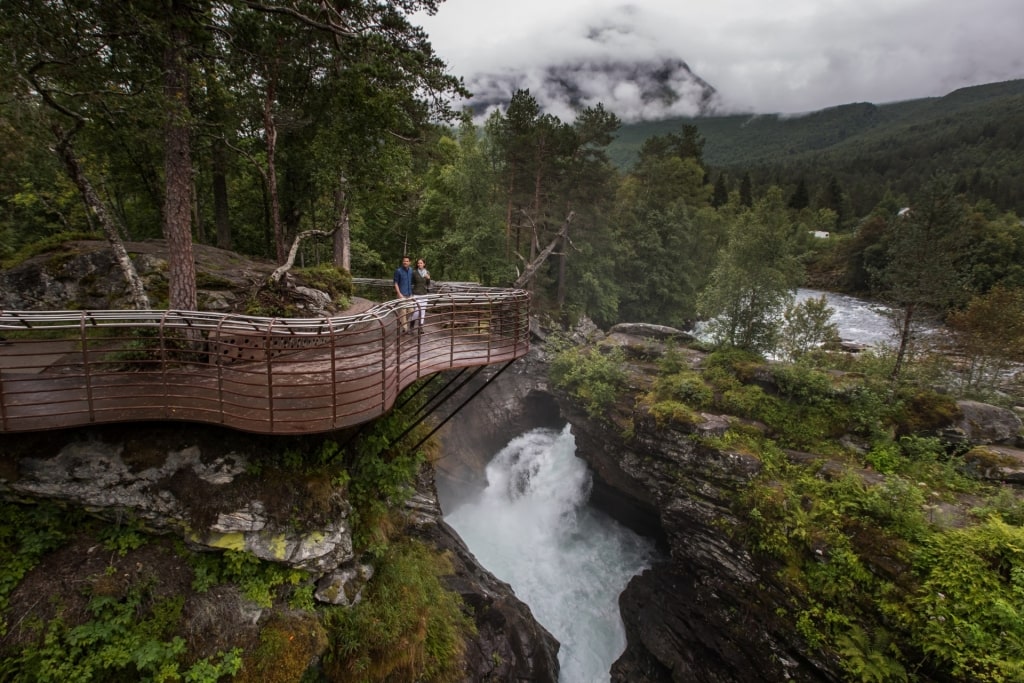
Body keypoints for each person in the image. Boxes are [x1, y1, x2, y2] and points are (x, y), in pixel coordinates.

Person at [393, 256, 413, 332]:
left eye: (407, 261)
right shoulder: (398, 271)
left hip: (409, 294)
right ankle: (405, 328)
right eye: (404, 261)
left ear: (409, 262)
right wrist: (399, 293)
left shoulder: (411, 270)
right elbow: (395, 283)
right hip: (401, 294)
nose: (405, 262)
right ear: (402, 262)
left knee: (411, 310)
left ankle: (402, 320)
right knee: (403, 311)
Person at [411, 258, 431, 333]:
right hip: (416, 294)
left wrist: (428, 279)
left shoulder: (427, 272)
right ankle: (412, 325)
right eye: (418, 263)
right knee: (416, 311)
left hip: (424, 294)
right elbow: (412, 283)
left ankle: (420, 327)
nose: (419, 264)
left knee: (422, 311)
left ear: (424, 264)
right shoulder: (414, 273)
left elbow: (428, 284)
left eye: (421, 263)